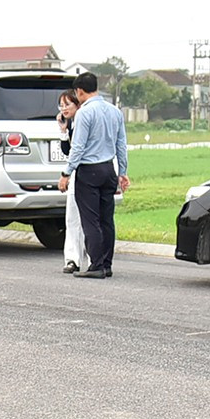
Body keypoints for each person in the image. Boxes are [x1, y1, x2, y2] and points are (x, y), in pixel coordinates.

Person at [59, 72, 129, 279]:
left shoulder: (84, 113)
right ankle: (106, 264)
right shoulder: (114, 111)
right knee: (107, 220)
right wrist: (123, 172)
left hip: (89, 171)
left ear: (79, 91)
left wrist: (66, 173)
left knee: (91, 220)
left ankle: (96, 265)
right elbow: (121, 145)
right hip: (109, 169)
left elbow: (78, 147)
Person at [56, 90, 85, 274]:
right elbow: (67, 151)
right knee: (72, 218)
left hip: (85, 173)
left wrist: (65, 174)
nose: (64, 108)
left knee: (86, 220)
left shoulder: (83, 122)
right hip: (75, 174)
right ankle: (72, 259)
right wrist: (63, 131)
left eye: (68, 104)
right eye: (61, 105)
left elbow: (77, 151)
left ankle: (89, 257)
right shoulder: (72, 125)